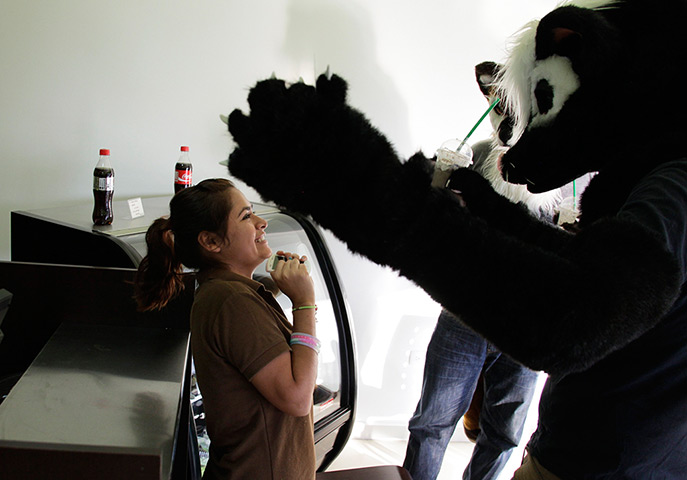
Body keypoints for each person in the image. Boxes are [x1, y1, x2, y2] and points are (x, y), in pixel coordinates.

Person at [134, 178, 319, 480]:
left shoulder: (228, 292)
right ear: (211, 242)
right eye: (246, 216)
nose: (261, 223)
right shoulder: (232, 301)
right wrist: (304, 302)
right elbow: (297, 398)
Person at [403, 139, 543, 480]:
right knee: (432, 423)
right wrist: (435, 177)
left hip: (530, 322)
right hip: (466, 312)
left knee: (505, 434)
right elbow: (437, 210)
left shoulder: (566, 167)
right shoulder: (478, 152)